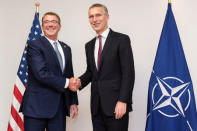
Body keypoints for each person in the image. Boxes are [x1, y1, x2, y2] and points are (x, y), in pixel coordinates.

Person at [69, 3, 135, 131]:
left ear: (107, 17)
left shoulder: (121, 39)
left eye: (98, 15)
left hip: (116, 105)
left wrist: (123, 100)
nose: (94, 19)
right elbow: (91, 72)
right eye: (91, 16)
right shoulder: (89, 45)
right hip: (96, 106)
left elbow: (129, 73)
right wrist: (79, 82)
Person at [19, 12, 78, 131]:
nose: (50, 25)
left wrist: (73, 101)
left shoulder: (66, 48)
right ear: (42, 26)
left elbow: (69, 74)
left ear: (59, 26)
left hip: (59, 108)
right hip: (36, 107)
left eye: (54, 22)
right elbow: (41, 73)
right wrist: (67, 83)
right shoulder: (34, 45)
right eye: (46, 22)